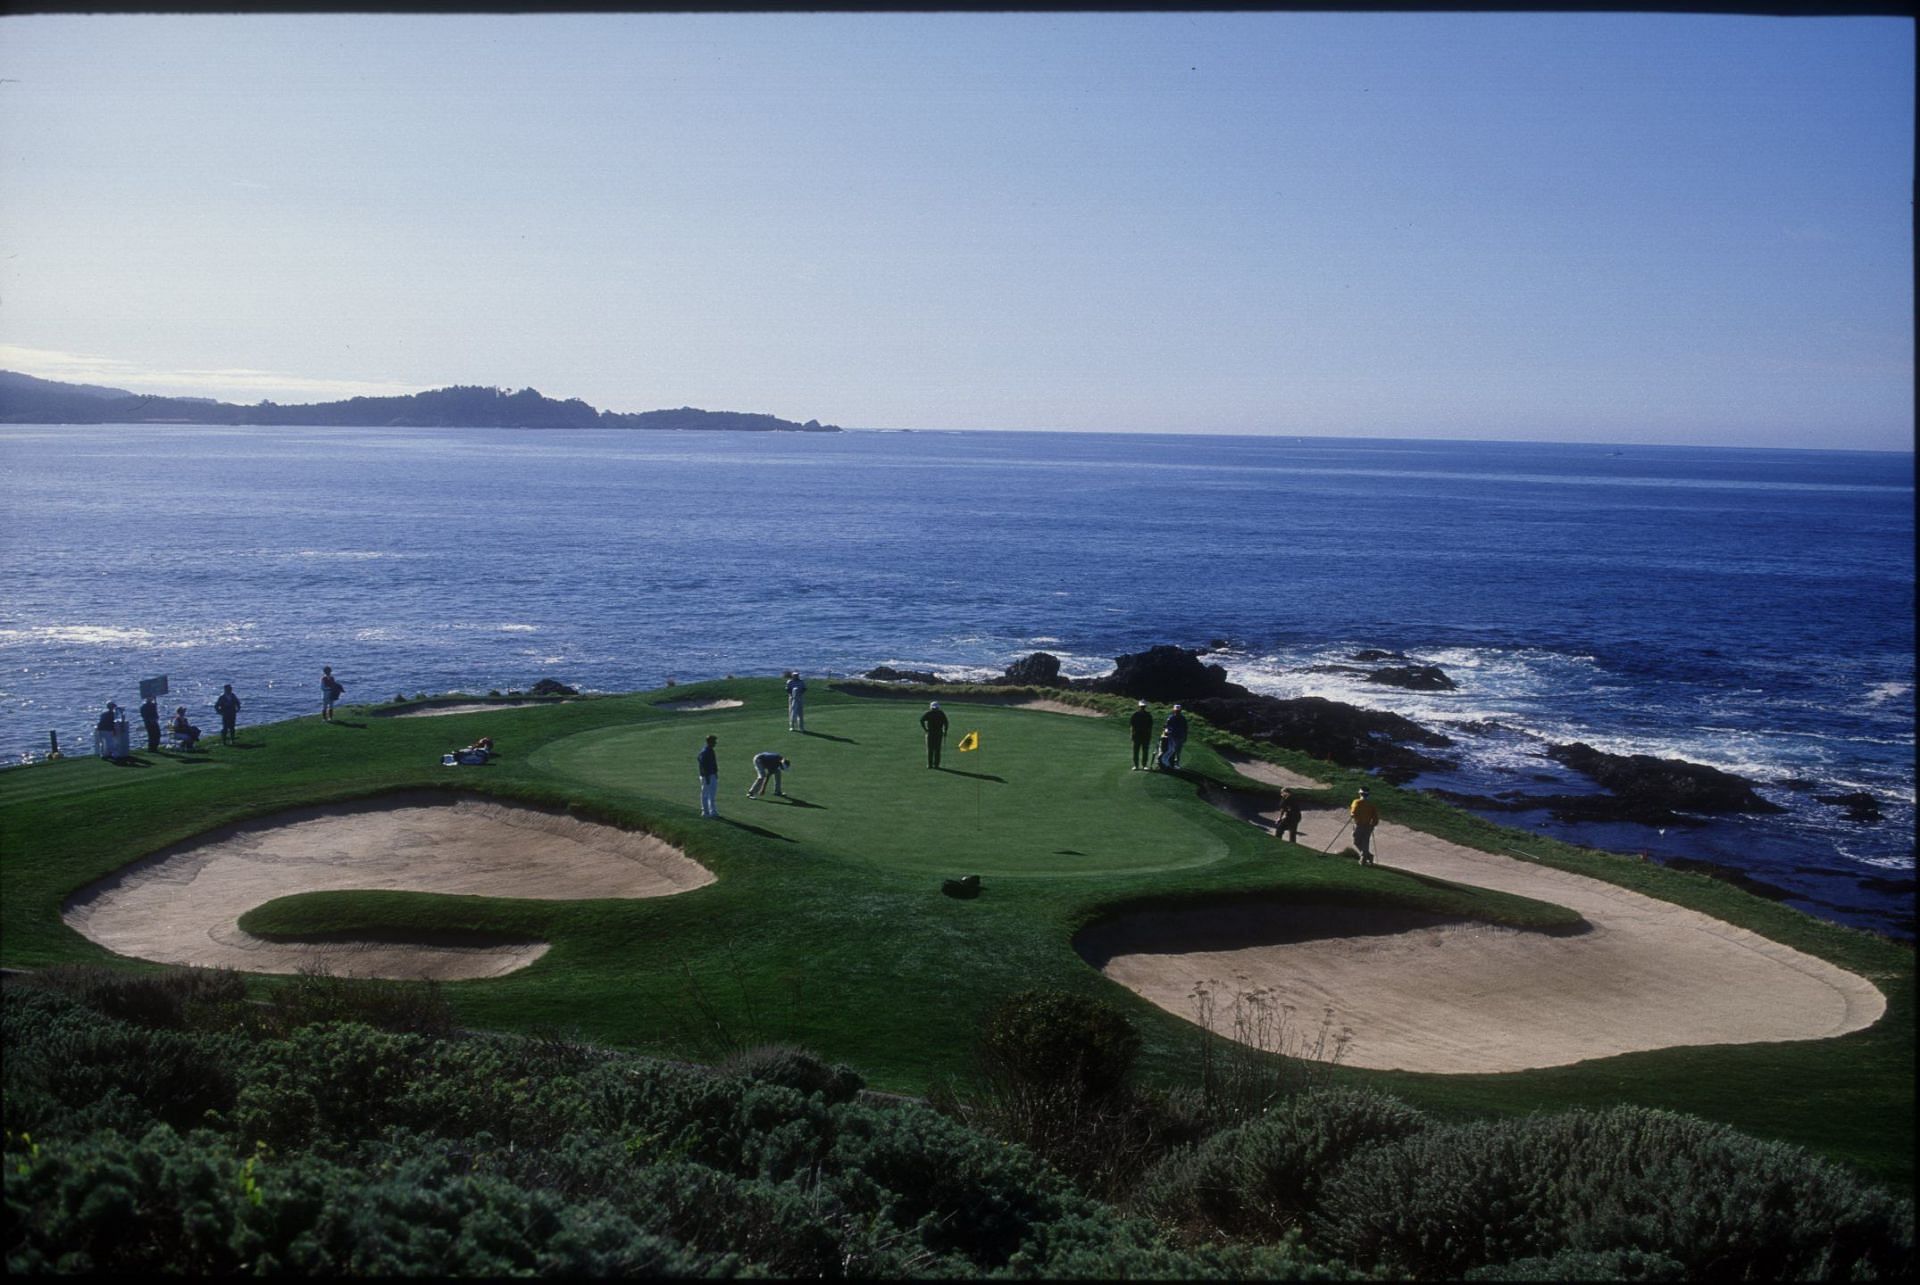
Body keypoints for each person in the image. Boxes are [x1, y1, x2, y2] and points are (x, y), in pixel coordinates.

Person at [1350, 786, 1381, 865]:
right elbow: (1375, 817)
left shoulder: (1356, 802)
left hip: (1359, 824)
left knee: (1356, 841)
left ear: (1360, 793)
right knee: (1365, 842)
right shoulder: (1371, 804)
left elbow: (1353, 811)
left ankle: (1364, 858)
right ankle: (1367, 856)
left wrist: (1352, 815)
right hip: (1368, 826)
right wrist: (1373, 824)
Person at [919, 700, 949, 768]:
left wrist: (925, 729)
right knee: (937, 749)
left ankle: (929, 765)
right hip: (939, 733)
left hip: (930, 733)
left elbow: (921, 720)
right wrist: (945, 731)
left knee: (930, 749)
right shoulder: (941, 713)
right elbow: (946, 722)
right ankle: (936, 765)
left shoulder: (929, 713)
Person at [696, 734, 720, 818]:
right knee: (705, 794)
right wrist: (707, 777)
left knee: (712, 794)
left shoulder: (710, 750)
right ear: (710, 742)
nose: (715, 743)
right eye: (714, 741)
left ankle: (713, 811)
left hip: (712, 775)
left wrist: (716, 773)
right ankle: (705, 812)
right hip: (707, 776)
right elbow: (702, 765)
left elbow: (714, 763)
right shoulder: (705, 751)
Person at [1129, 699, 1153, 770]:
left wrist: (1150, 735)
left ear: (1145, 706)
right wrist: (1131, 735)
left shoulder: (1148, 715)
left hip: (1145, 735)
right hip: (1137, 735)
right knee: (1135, 751)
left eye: (1143, 706)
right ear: (1139, 706)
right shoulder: (1135, 715)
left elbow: (1150, 726)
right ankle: (1136, 765)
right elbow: (1132, 726)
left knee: (1145, 751)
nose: (1142, 707)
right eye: (1141, 706)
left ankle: (1144, 765)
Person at [1165, 704, 1189, 768]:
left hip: (1180, 737)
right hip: (1171, 736)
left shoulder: (1183, 719)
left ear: (1180, 711)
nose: (1177, 712)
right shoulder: (1170, 718)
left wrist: (1185, 737)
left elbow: (1185, 729)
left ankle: (1176, 764)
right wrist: (1166, 731)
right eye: (1176, 710)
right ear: (1174, 710)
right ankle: (1170, 763)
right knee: (1171, 750)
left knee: (1178, 751)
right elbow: (1167, 726)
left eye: (1178, 711)